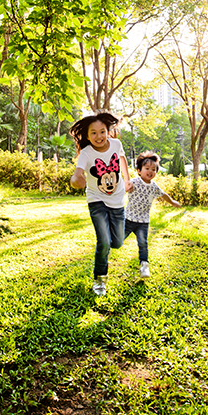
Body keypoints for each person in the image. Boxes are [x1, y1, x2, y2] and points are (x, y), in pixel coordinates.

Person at [70, 112, 131, 296]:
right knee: (103, 242)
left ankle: (105, 248)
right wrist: (76, 180)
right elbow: (77, 174)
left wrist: (127, 180)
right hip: (96, 199)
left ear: (108, 131)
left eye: (102, 131)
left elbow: (122, 159)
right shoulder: (87, 153)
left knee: (118, 242)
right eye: (93, 133)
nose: (99, 136)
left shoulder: (116, 144)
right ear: (87, 136)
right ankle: (100, 279)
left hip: (117, 199)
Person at [124, 151, 181, 279]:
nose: (150, 171)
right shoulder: (134, 182)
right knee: (117, 240)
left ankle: (144, 265)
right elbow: (123, 187)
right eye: (147, 168)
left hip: (143, 221)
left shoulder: (154, 186)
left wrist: (172, 202)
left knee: (143, 243)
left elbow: (163, 194)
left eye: (154, 169)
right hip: (128, 219)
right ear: (139, 170)